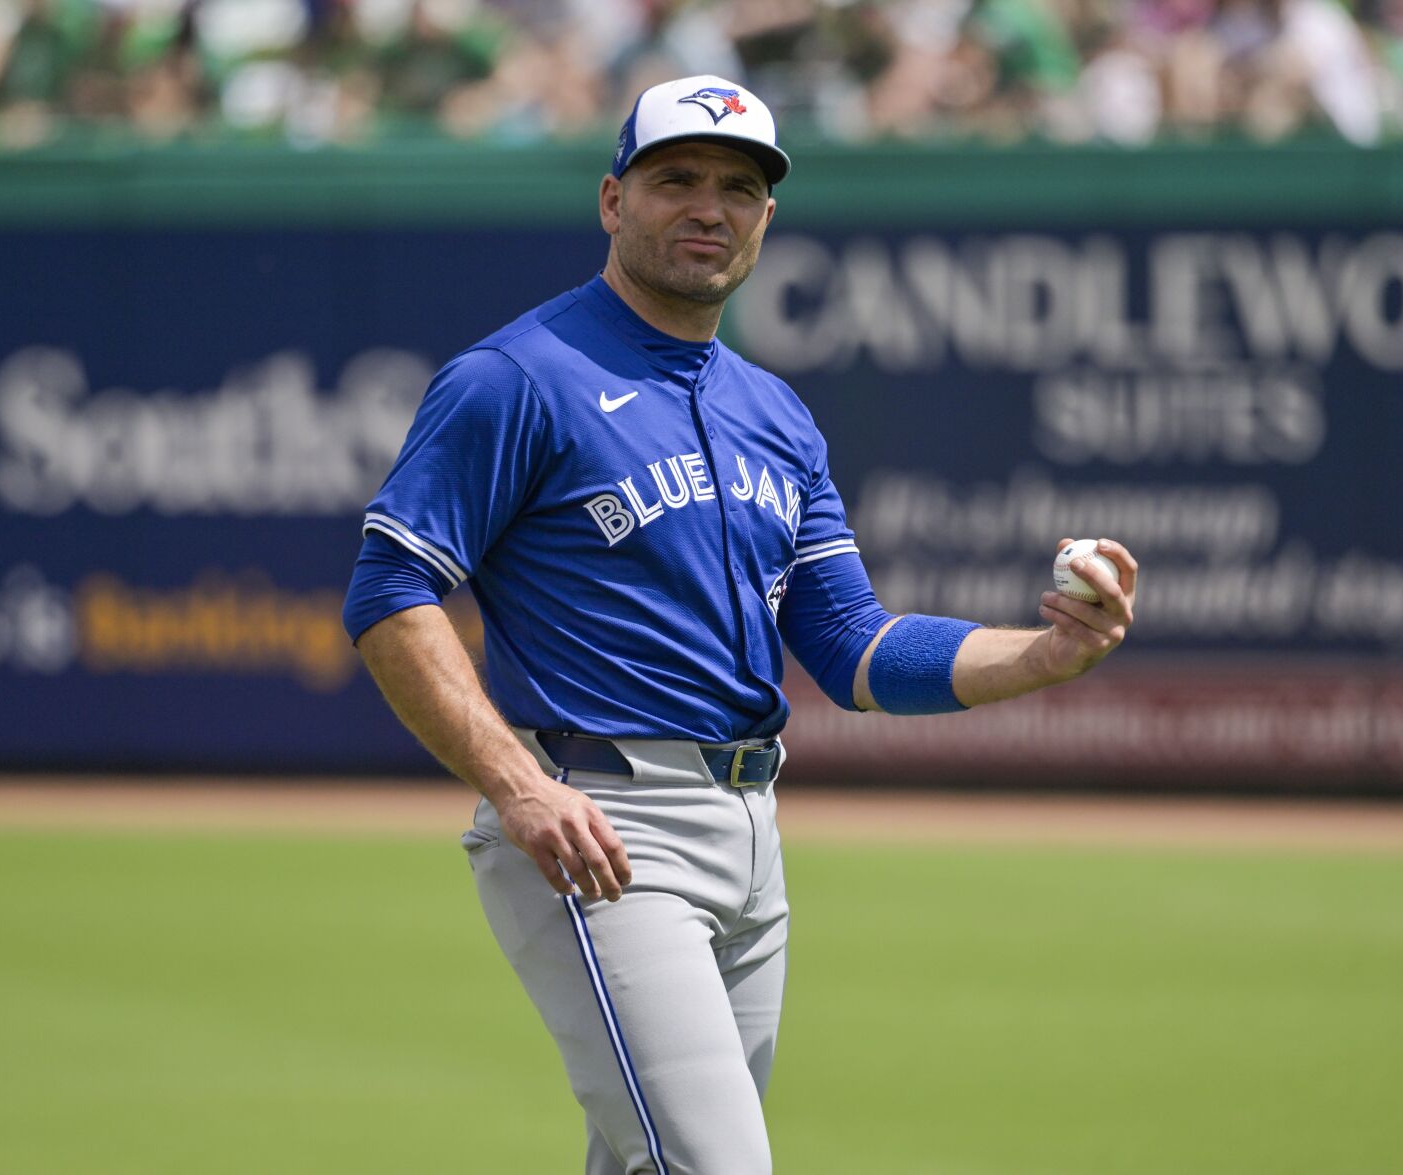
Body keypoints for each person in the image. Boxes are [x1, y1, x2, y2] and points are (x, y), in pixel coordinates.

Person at [342, 73, 1139, 1175]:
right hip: (600, 822)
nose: (707, 207)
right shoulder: (514, 378)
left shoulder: (774, 413)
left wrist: (1044, 653)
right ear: (613, 200)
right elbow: (389, 592)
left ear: (767, 218)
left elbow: (856, 648)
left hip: (750, 835)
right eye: (675, 180)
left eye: (738, 186)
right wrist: (517, 786)